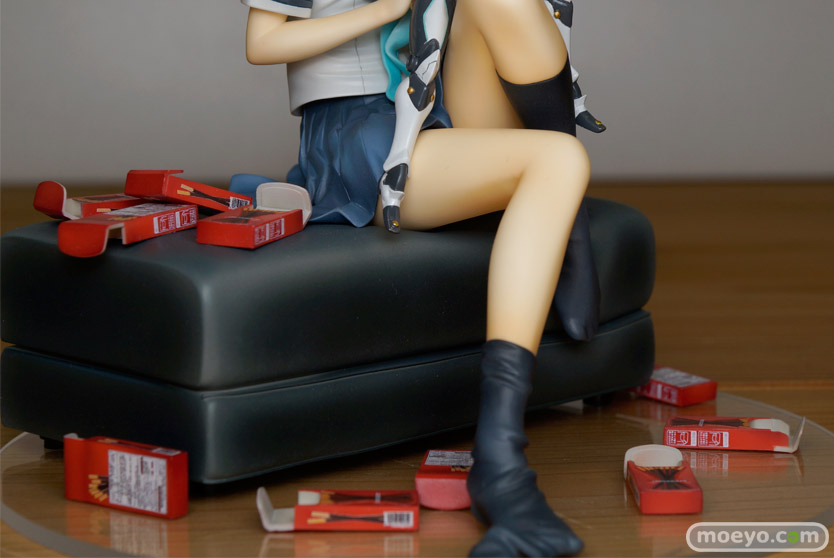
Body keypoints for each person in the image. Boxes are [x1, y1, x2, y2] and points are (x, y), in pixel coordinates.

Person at [241, 0, 591, 554]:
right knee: (561, 160)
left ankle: (570, 220)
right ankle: (501, 460)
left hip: (439, 103)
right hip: (361, 133)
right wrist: (385, 9)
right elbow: (261, 45)